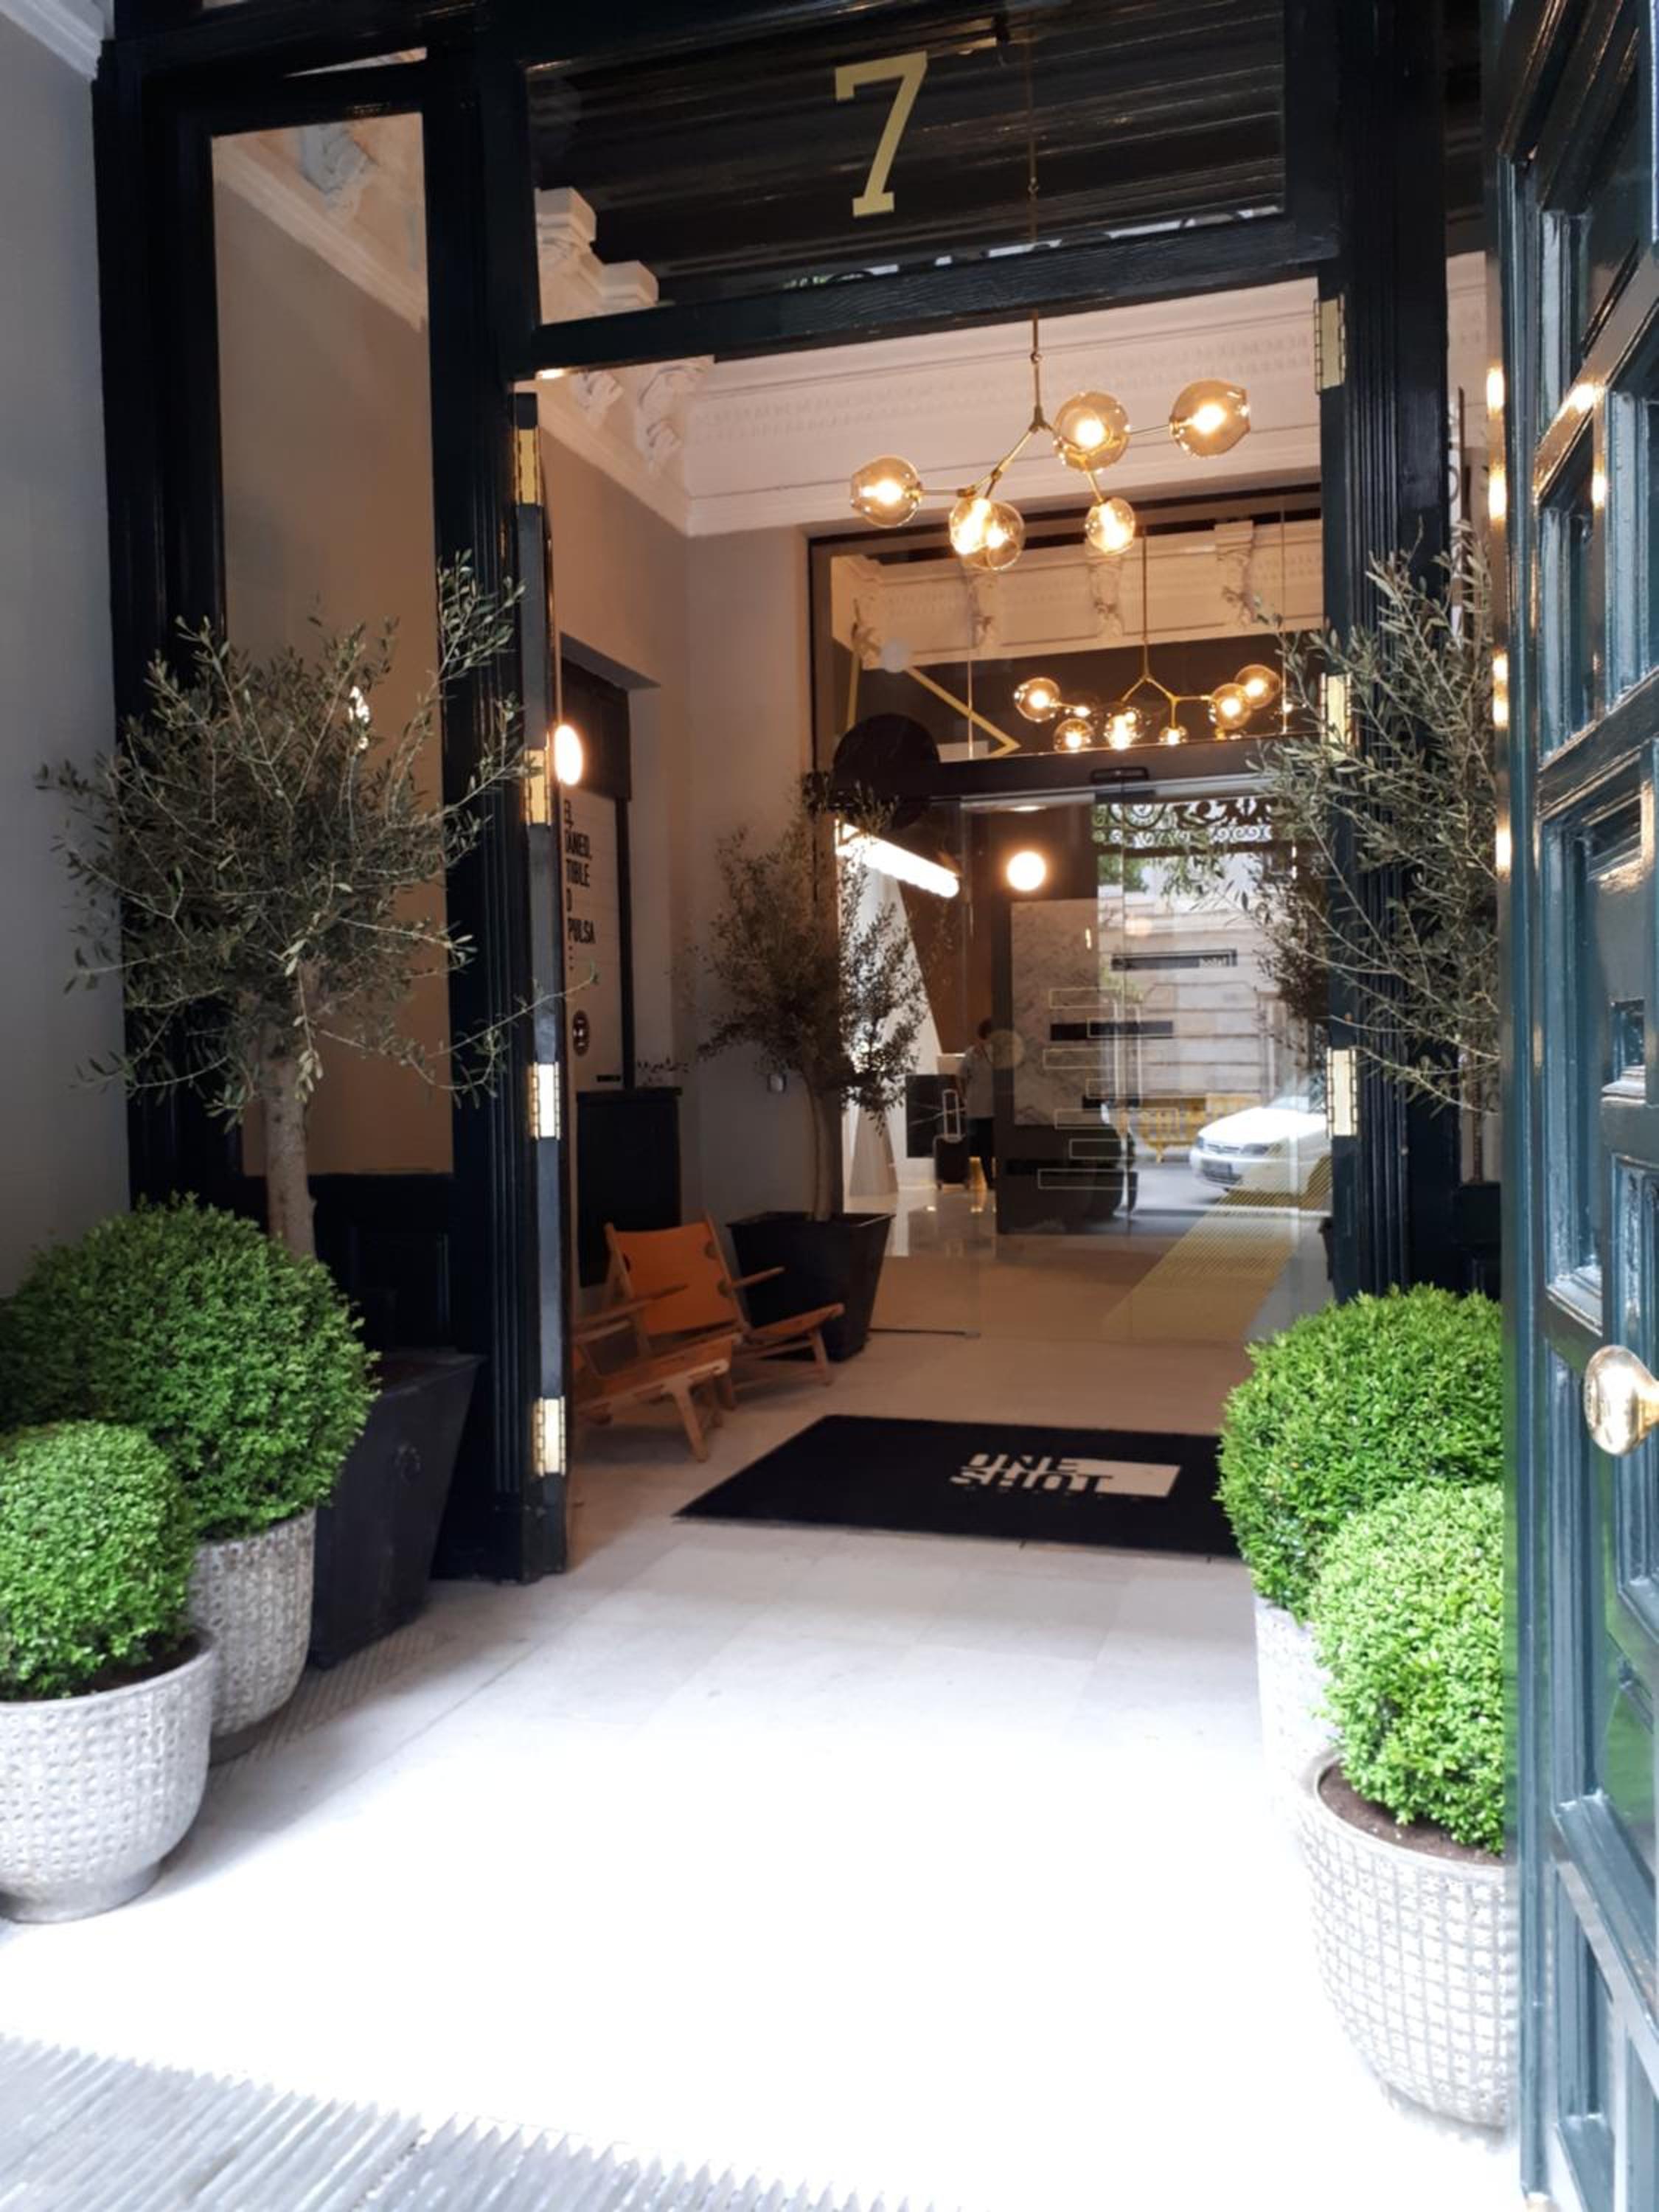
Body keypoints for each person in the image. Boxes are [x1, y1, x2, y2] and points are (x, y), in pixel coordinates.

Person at [959, 1016, 997, 1188]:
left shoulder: (995, 1051)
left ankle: (991, 1177)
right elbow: (960, 1076)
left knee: (987, 1143)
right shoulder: (974, 1053)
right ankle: (989, 1178)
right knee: (985, 1144)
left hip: (989, 1105)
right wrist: (964, 1098)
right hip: (982, 1106)